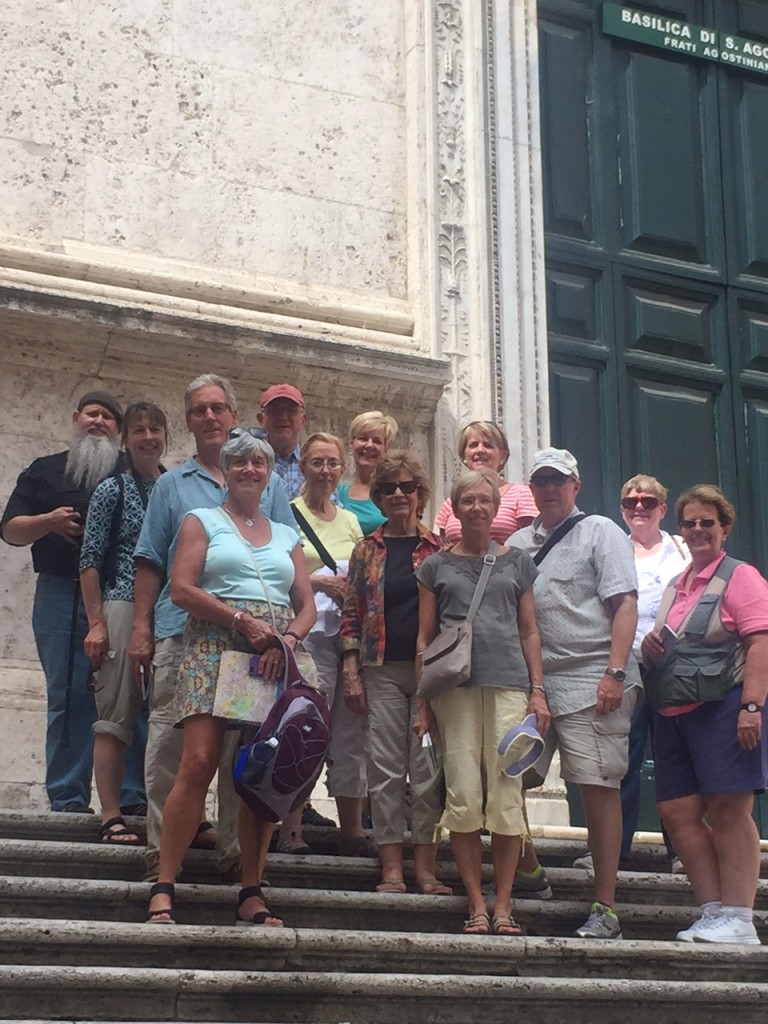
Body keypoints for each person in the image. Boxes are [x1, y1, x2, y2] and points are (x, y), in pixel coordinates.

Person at [129, 373, 297, 881]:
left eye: (218, 408)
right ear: (188, 421)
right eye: (200, 409)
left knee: (242, 752)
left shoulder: (262, 482)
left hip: (255, 644)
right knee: (175, 751)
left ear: (232, 414)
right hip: (184, 632)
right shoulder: (169, 485)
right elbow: (150, 562)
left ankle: (236, 855)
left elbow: (284, 558)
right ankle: (163, 851)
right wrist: (140, 628)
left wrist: (283, 634)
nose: (210, 417)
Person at [146, 430, 315, 925]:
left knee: (256, 773)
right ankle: (164, 883)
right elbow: (180, 588)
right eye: (239, 462)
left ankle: (250, 889)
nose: (248, 470)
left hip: (270, 657)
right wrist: (241, 621)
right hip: (214, 644)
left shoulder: (286, 535)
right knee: (198, 763)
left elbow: (304, 606)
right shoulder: (202, 521)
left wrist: (288, 643)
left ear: (268, 475)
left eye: (257, 464)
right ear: (227, 470)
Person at [509, 448, 640, 940]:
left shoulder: (601, 531)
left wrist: (615, 672)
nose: (549, 489)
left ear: (575, 485)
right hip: (536, 684)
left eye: (557, 481)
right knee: (507, 778)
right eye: (540, 481)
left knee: (598, 788)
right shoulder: (519, 542)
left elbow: (624, 604)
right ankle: (530, 872)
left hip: (593, 677)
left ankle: (605, 906)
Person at [1, 390, 145, 814]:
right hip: (61, 594)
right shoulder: (44, 471)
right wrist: (48, 522)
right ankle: (67, 796)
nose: (98, 421)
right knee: (68, 694)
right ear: (76, 418)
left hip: (123, 596)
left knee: (133, 694)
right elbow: (10, 530)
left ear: (119, 431)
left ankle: (133, 798)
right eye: (91, 413)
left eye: (108, 417)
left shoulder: (137, 472)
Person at [415, 469, 545, 933]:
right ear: (455, 507)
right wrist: (421, 703)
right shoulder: (434, 567)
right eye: (466, 500)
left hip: (510, 686)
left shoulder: (519, 563)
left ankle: (505, 904)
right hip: (454, 691)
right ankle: (476, 903)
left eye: (483, 500)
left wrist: (539, 692)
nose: (475, 507)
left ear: (496, 508)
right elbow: (424, 638)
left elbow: (529, 630)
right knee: (464, 795)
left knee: (507, 796)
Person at [641, 484, 768, 945]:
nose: (697, 530)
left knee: (728, 808)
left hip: (724, 707)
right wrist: (654, 646)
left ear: (725, 529)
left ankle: (740, 916)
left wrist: (752, 707)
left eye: (707, 523)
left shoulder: (742, 577)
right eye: (690, 522)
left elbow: (760, 642)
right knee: (676, 811)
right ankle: (713, 911)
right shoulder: (678, 583)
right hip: (674, 711)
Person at [342, 451, 448, 890]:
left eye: (408, 487)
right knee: (384, 767)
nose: (399, 494)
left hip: (431, 675)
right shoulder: (366, 550)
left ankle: (424, 867)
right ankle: (390, 867)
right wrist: (350, 668)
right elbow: (351, 611)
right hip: (380, 670)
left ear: (421, 495)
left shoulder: (441, 550)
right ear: (380, 498)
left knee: (426, 769)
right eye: (389, 488)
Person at [575, 475, 689, 873]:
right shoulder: (611, 547)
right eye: (630, 501)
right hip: (623, 666)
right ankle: (612, 850)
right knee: (619, 758)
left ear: (662, 507)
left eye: (648, 500)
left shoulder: (682, 548)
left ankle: (682, 852)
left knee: (676, 759)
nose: (638, 507)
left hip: (673, 668)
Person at [275, 433, 374, 855]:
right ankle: (291, 828)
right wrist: (316, 581)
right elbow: (275, 570)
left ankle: (350, 830)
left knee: (352, 732)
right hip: (308, 637)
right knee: (305, 726)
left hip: (347, 636)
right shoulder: (287, 514)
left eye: (333, 463)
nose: (326, 470)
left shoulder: (350, 520)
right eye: (317, 462)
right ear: (303, 467)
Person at [79, 403, 168, 844]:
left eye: (155, 429)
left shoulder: (174, 488)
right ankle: (110, 813)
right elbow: (90, 560)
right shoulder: (111, 489)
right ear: (125, 439)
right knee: (114, 714)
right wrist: (96, 624)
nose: (147, 437)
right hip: (119, 604)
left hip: (169, 612)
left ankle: (170, 814)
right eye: (138, 430)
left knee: (169, 719)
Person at [434, 421, 537, 543]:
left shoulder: (522, 495)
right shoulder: (450, 502)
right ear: (464, 455)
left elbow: (531, 544)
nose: (480, 450)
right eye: (473, 445)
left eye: (488, 445)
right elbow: (443, 547)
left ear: (502, 456)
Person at [336, 411, 398, 536]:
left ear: (386, 448)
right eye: (363, 438)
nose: (369, 445)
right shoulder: (335, 492)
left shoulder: (393, 492)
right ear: (351, 444)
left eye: (377, 441)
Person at [257, 383, 308, 500]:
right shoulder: (249, 464)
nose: (283, 416)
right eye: (275, 410)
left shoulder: (315, 465)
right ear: (261, 419)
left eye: (291, 410)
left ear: (303, 420)